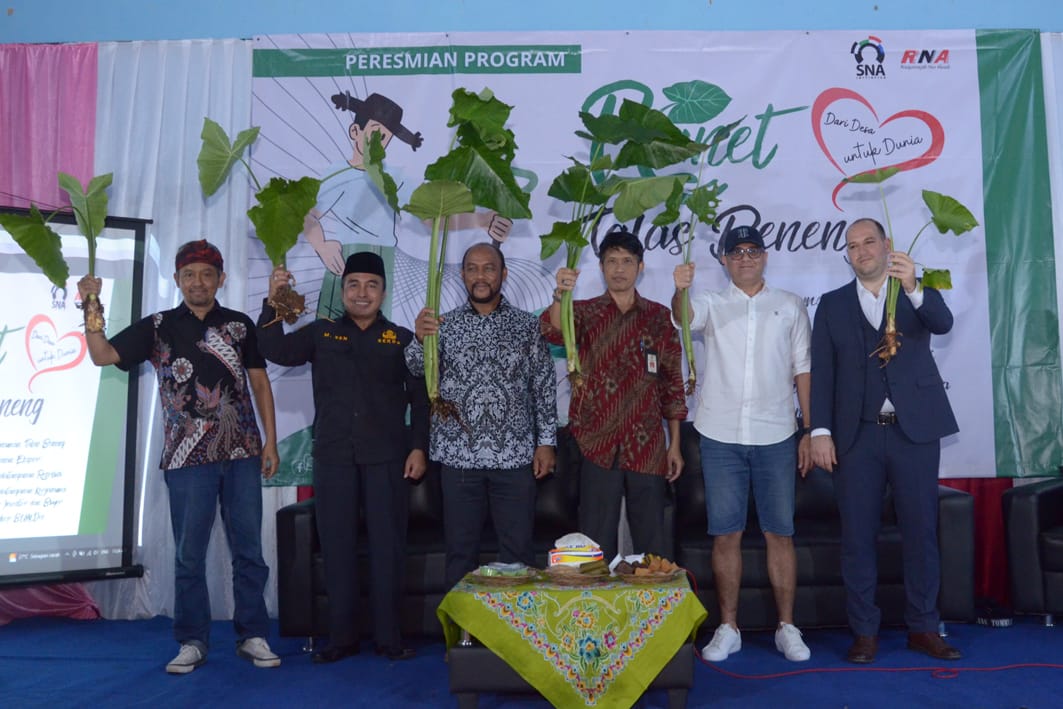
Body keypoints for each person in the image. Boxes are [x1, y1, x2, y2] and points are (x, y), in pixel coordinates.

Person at [77, 240, 281, 675]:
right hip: (186, 460)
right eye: (189, 274)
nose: (198, 282)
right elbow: (102, 355)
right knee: (190, 555)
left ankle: (253, 636)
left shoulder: (241, 326)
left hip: (243, 452)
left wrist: (271, 441)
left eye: (207, 274)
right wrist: (90, 302)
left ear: (221, 279)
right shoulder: (158, 326)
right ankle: (192, 640)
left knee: (249, 551)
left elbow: (260, 385)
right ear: (177, 280)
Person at [256, 252, 429, 663]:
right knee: (336, 546)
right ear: (343, 290)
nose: (362, 293)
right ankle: (341, 638)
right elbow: (272, 347)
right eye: (354, 285)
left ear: (383, 292)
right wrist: (273, 300)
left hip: (388, 458)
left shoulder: (403, 339)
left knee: (389, 547)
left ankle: (389, 638)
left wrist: (419, 447)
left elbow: (421, 400)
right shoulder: (321, 333)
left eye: (371, 285)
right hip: (333, 456)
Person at [810, 217, 961, 664]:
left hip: (914, 434)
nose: (862, 251)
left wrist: (913, 284)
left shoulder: (916, 290)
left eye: (869, 242)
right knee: (857, 537)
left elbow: (944, 321)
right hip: (857, 436)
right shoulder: (833, 305)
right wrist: (820, 431)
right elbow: (823, 372)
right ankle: (865, 632)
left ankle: (924, 627)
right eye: (853, 246)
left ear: (887, 245)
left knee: (921, 533)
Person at [672, 225, 813, 663]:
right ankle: (728, 627)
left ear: (765, 257)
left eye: (753, 251)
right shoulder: (709, 304)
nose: (746, 258)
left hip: (776, 435)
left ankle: (787, 627)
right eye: (737, 252)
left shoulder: (790, 306)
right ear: (725, 260)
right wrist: (680, 289)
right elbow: (681, 318)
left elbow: (802, 370)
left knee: (780, 534)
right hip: (720, 436)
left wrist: (810, 429)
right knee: (726, 535)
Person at [406, 243, 556, 588]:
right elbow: (416, 369)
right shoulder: (443, 325)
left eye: (489, 268)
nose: (480, 276)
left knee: (517, 555)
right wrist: (418, 339)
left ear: (503, 274)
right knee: (460, 553)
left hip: (515, 457)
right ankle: (463, 640)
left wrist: (546, 442)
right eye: (472, 268)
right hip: (459, 458)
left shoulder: (525, 326)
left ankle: (516, 638)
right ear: (462, 276)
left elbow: (544, 386)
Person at [543, 229, 686, 565]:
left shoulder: (659, 318)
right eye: (611, 261)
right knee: (595, 546)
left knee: (653, 547)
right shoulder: (583, 312)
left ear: (640, 267)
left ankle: (655, 615)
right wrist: (560, 296)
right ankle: (595, 615)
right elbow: (553, 330)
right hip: (596, 443)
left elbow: (672, 384)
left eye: (626, 261)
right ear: (602, 267)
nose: (619, 269)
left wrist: (674, 443)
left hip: (648, 445)